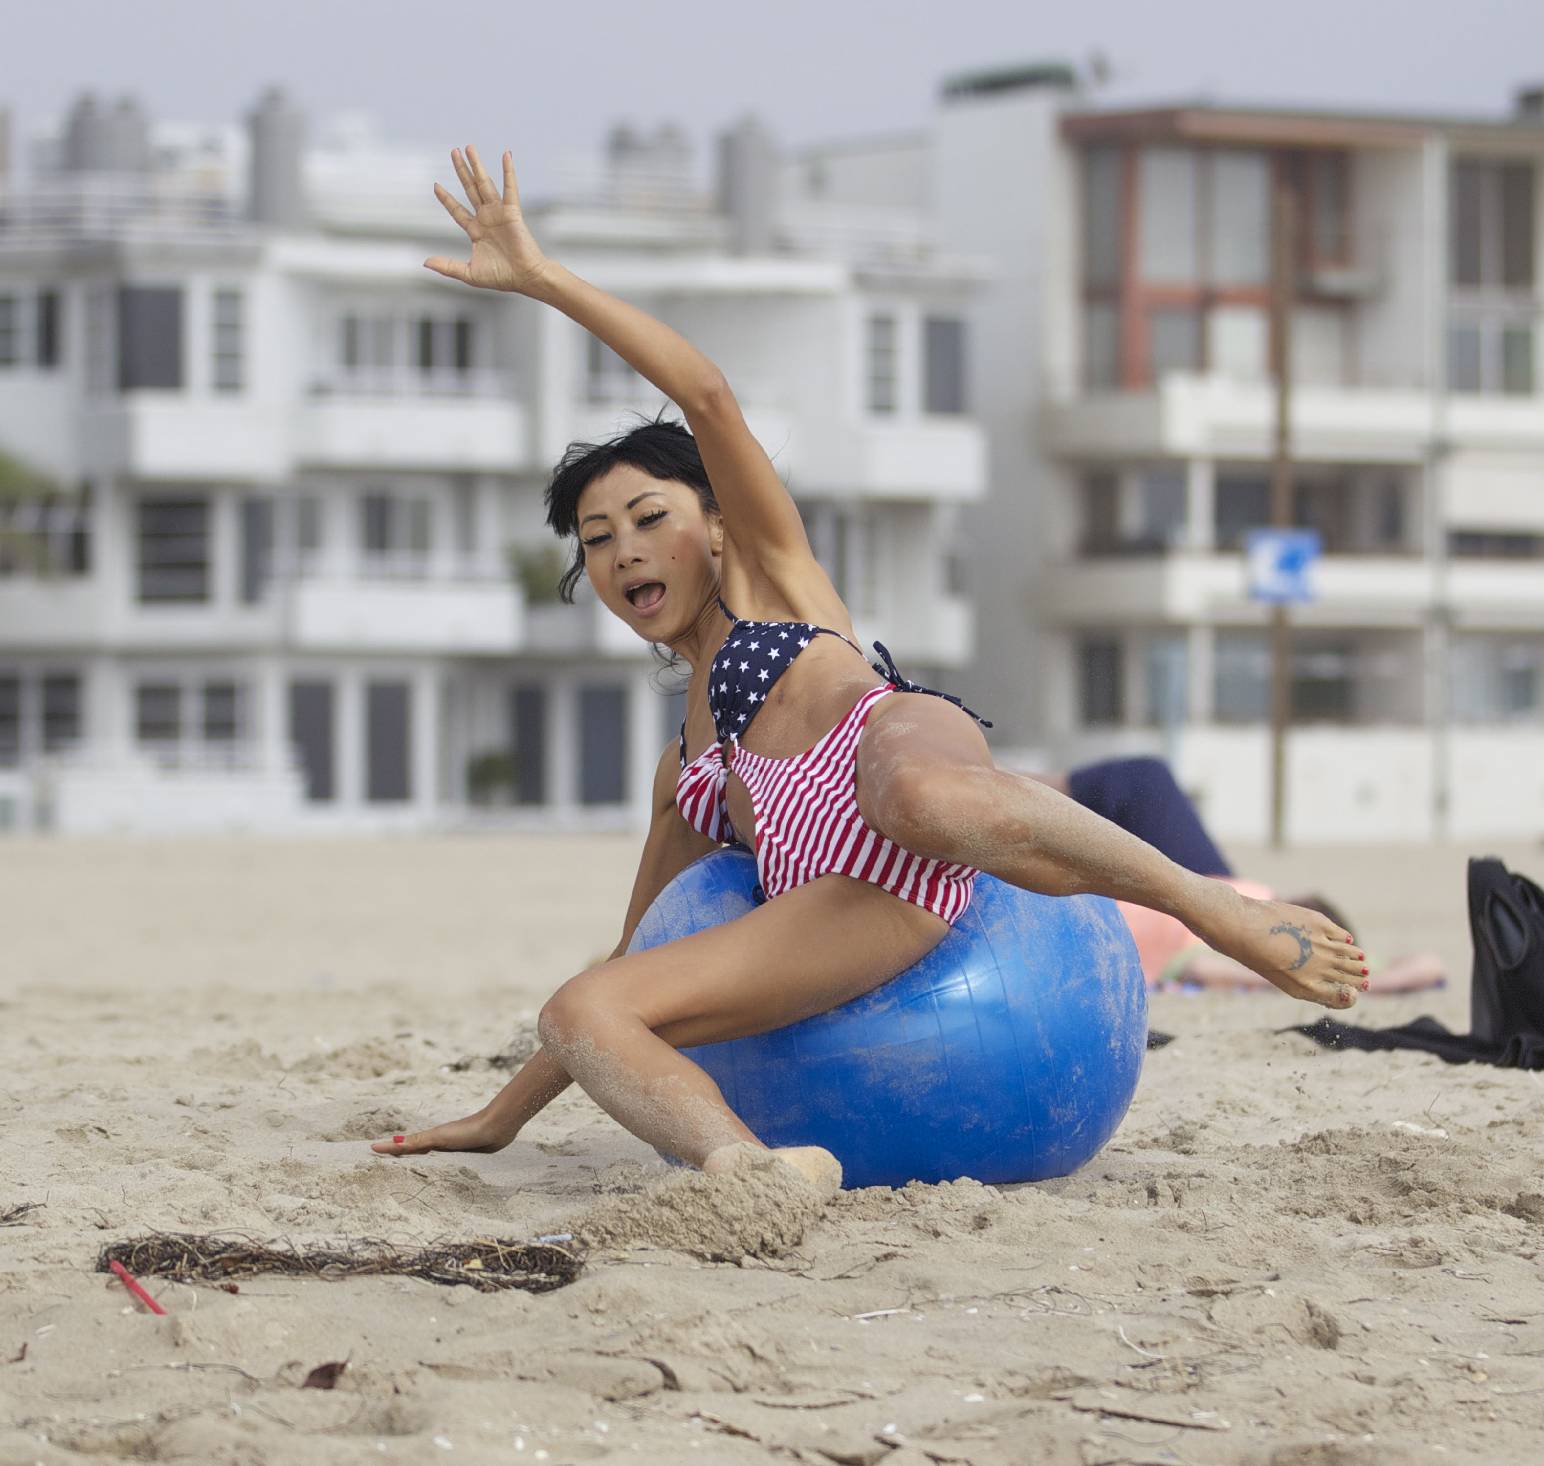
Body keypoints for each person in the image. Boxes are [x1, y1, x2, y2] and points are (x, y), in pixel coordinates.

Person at [373, 148, 1367, 1187]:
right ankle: (753, 1172)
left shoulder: (770, 578)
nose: (625, 550)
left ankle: (1215, 908)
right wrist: (499, 1116)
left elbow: (704, 393)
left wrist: (545, 281)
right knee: (583, 1006)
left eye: (650, 517)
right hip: (862, 904)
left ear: (718, 526)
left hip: (895, 752)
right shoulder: (687, 771)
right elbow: (636, 954)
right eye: (597, 538)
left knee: (916, 793)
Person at [1038, 758, 1446, 995]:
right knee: (1145, 778)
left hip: (1168, 903)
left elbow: (1200, 970)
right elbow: (1427, 964)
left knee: (1142, 781)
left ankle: (1007, 789)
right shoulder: (1302, 932)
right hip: (1211, 886)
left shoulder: (1237, 949)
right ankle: (1008, 785)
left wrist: (1289, 976)